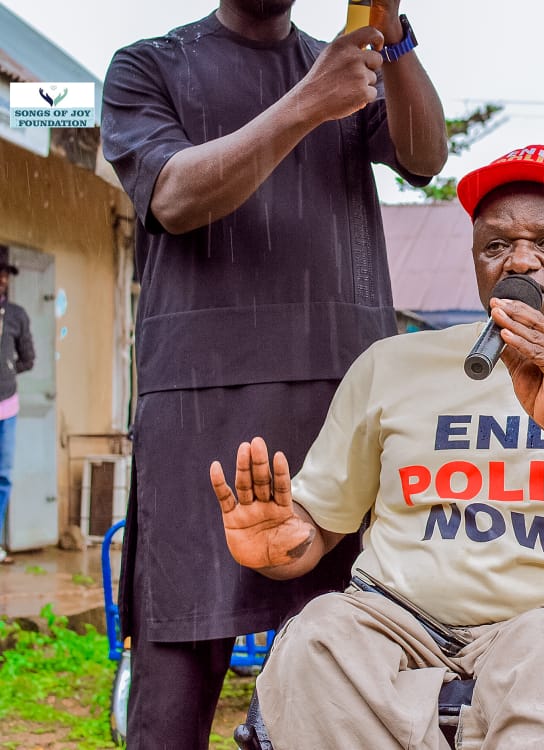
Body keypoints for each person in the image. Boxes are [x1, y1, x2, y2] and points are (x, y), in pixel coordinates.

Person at [211, 145, 544, 748]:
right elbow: (317, 527)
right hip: (397, 623)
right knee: (315, 642)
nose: (521, 264)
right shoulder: (392, 364)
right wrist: (280, 543)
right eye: (497, 245)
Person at [100, 0, 447, 745]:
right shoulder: (149, 65)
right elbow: (174, 196)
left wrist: (395, 35)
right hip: (200, 409)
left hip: (340, 408)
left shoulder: (351, 66)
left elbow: (426, 155)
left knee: (345, 665)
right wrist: (308, 103)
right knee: (177, 675)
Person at [0, 248, 34, 565]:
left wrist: (9, 370)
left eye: (5, 275)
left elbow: (29, 359)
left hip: (6, 405)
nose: (2, 280)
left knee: (3, 476)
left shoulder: (16, 316)